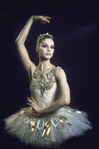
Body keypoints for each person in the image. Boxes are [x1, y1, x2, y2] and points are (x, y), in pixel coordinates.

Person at [4, 15, 92, 148]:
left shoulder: (58, 71)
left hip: (54, 120)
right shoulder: (32, 70)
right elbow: (19, 43)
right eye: (45, 46)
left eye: (52, 47)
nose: (49, 49)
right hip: (34, 120)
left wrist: (41, 111)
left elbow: (65, 99)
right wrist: (31, 19)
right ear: (37, 48)